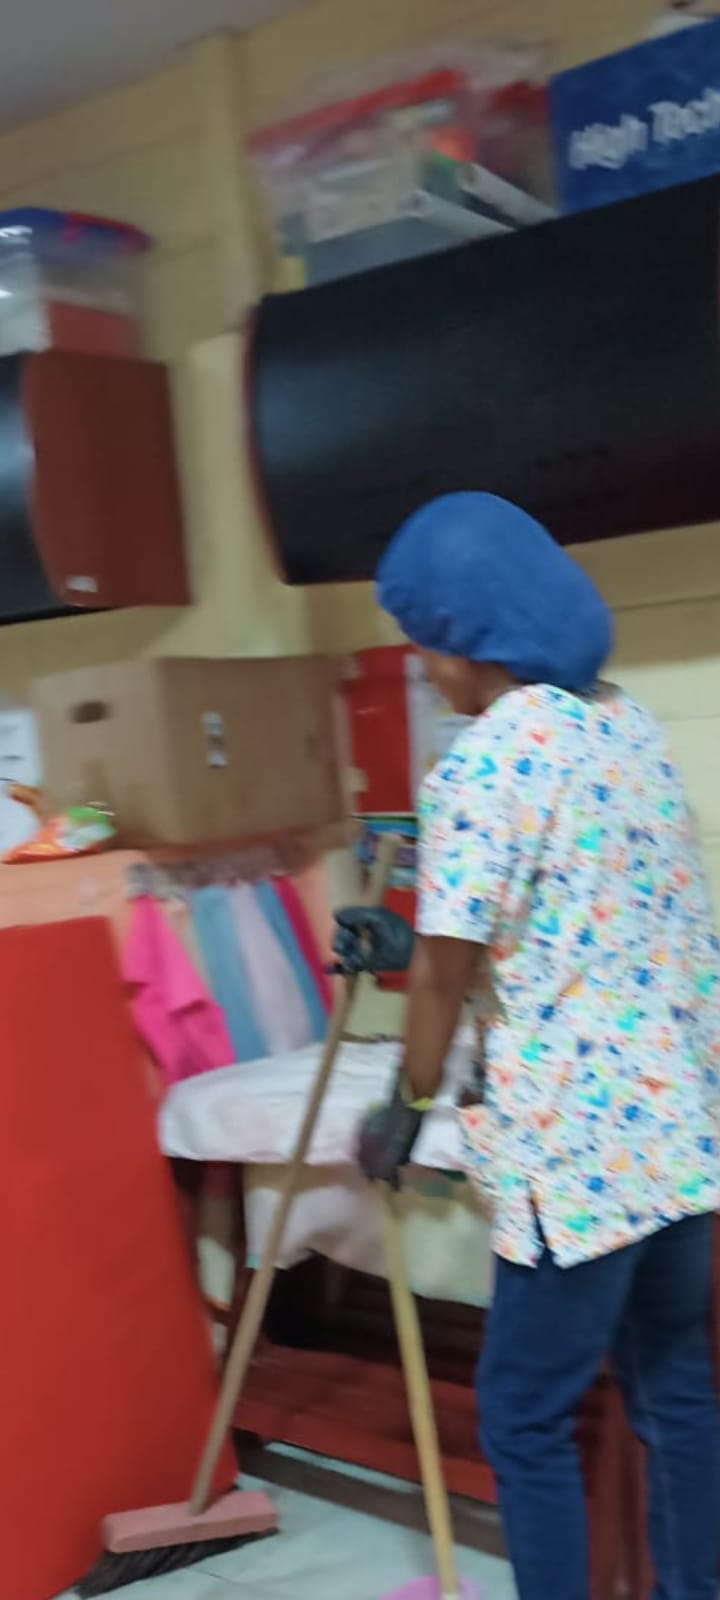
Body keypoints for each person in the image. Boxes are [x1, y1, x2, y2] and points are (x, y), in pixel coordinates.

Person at [334, 493, 720, 1600]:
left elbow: (445, 973)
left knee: (522, 1415)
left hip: (580, 1156)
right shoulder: (623, 727)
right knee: (675, 1389)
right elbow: (570, 913)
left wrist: (406, 1104)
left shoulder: (487, 763)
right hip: (678, 1132)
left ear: (472, 641)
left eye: (427, 646)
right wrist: (414, 938)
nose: (426, 670)